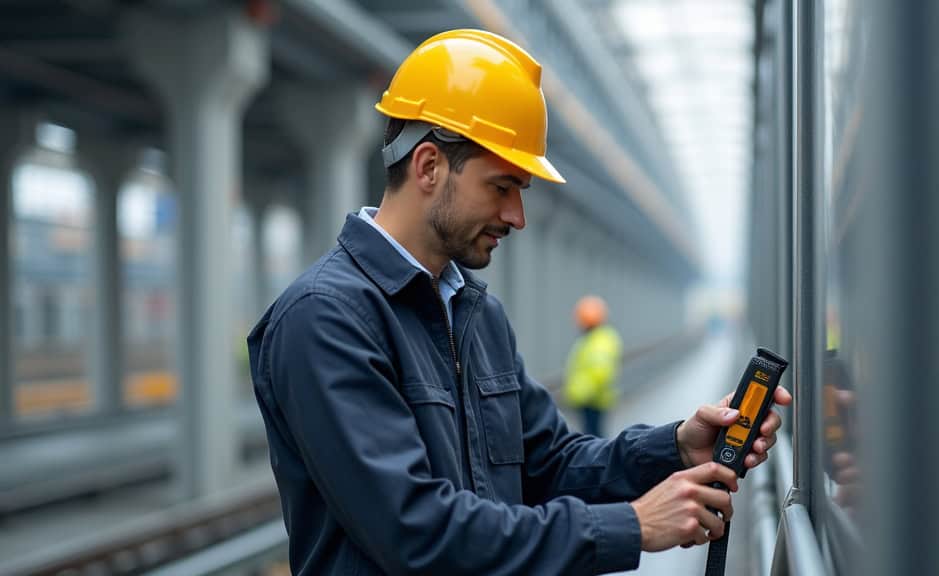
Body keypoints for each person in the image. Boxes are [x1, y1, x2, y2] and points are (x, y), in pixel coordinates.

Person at [248, 29, 792, 575]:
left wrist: (674, 448)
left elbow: (550, 465)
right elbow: (416, 532)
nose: (517, 217)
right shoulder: (325, 318)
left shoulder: (477, 315)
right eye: (501, 187)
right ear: (429, 166)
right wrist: (633, 525)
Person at [564, 295, 622, 437]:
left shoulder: (599, 341)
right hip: (591, 399)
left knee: (593, 438)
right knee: (593, 437)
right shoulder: (596, 338)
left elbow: (600, 372)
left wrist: (581, 393)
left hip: (593, 400)